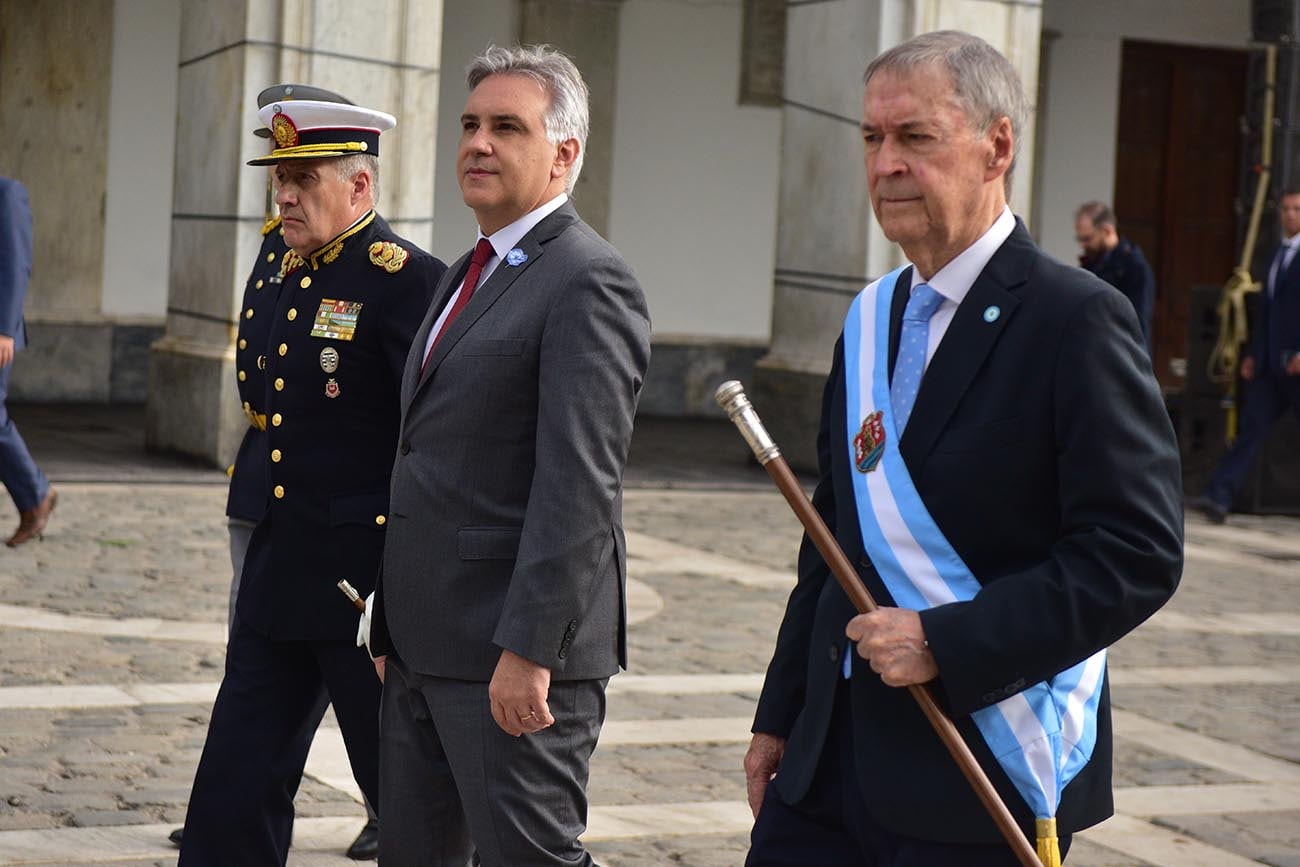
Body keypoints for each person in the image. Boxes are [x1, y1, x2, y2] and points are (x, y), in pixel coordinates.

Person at [743, 31, 1183, 866]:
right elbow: (831, 536)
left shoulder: (1073, 320)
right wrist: (782, 714)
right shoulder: (869, 320)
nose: (885, 165)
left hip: (972, 766)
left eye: (915, 137)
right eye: (871, 139)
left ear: (998, 146)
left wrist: (945, 640)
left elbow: (1135, 553)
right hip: (827, 766)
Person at [360, 44, 651, 867]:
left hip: (510, 657)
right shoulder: (467, 271)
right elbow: (424, 456)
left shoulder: (589, 279)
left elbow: (580, 488)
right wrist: (390, 616)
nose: (478, 143)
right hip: (424, 644)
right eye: (470, 124)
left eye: (506, 127)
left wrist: (530, 651)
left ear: (564, 154)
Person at [178, 96, 445, 866]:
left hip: (360, 591)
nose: (284, 194)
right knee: (233, 787)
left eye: (304, 177)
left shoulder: (407, 283)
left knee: (408, 801)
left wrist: (402, 588)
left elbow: (426, 444)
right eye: (279, 177)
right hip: (280, 571)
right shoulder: (290, 271)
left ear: (360, 188)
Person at [1192, 189, 1300, 524]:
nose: (1290, 215)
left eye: (1297, 209)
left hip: (1297, 362)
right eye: (1285, 209)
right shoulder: (1275, 256)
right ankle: (1219, 496)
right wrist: (1254, 354)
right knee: (1252, 429)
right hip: (1269, 364)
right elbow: (1267, 312)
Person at [0, 177, 57, 548]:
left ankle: (36, 496)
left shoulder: (8, 193)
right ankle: (35, 497)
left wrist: (5, 329)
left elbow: (17, 264)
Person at [1075, 201, 1156, 353]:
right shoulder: (1091, 264)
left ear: (1107, 231)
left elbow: (1138, 323)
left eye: (1087, 239)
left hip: (1121, 353)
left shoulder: (1134, 267)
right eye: (1080, 239)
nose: (1083, 245)